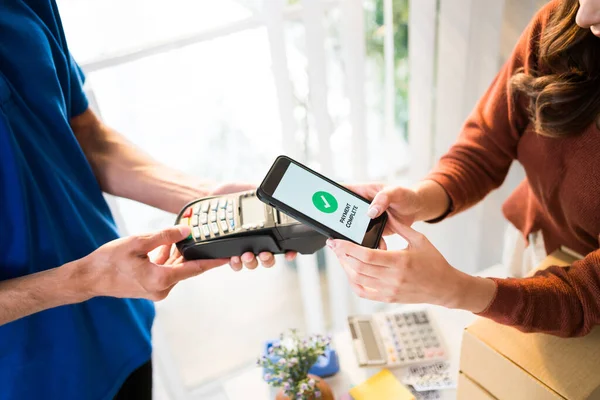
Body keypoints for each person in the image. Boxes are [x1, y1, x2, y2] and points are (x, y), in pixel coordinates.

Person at [0, 1, 294, 399]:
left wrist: (201, 196)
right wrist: (86, 280)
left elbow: (87, 135)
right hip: (29, 380)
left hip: (119, 325)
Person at [328, 0, 600, 338]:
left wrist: (452, 289)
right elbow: (485, 147)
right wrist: (421, 197)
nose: (585, 14)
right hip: (534, 242)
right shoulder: (564, 26)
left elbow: (581, 299)